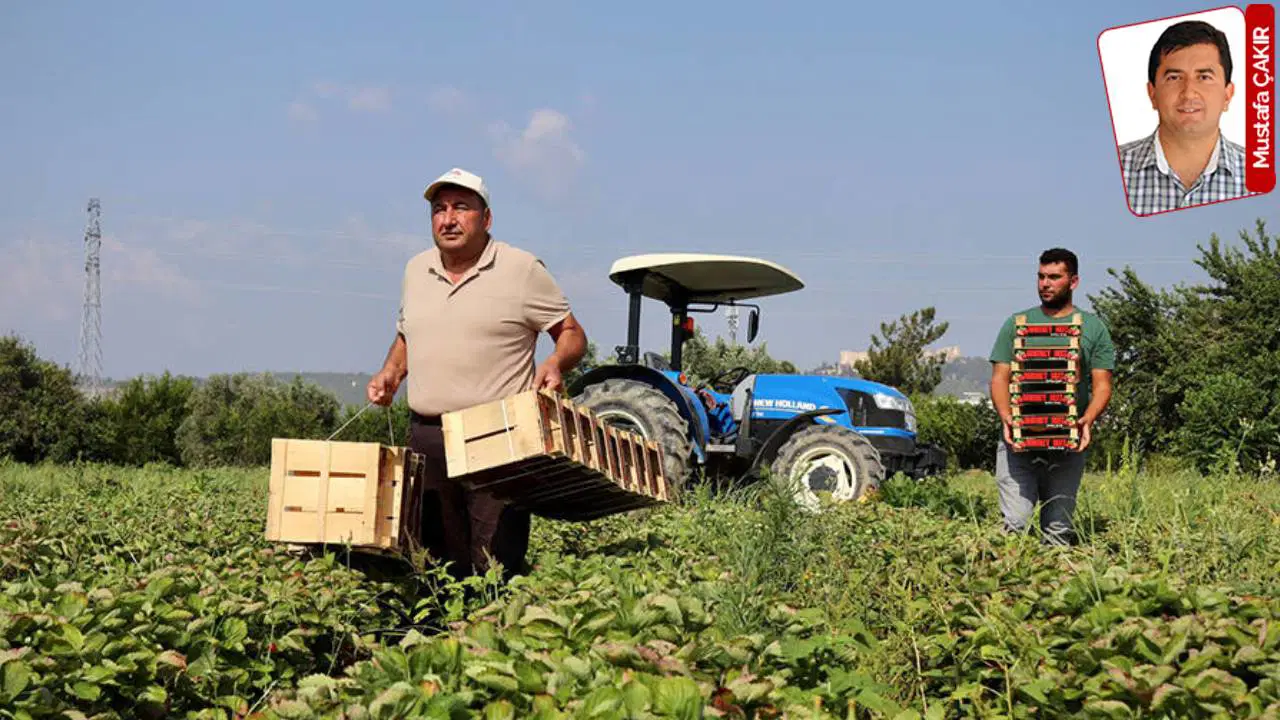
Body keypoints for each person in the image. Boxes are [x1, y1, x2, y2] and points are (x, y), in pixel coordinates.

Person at [366, 167, 587, 581]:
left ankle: (494, 621)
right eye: (439, 209)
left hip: (498, 435)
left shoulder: (521, 269)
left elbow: (572, 333)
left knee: (494, 562)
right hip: (428, 435)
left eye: (461, 208)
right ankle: (441, 623)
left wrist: (555, 362)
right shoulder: (416, 270)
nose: (448, 219)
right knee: (432, 561)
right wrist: (391, 372)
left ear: (486, 218)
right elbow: (408, 335)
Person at [988, 248, 1115, 545]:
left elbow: (1103, 385)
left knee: (1058, 530)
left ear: (1074, 281)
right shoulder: (1016, 324)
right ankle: (1011, 571)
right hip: (1018, 439)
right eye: (1041, 276)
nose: (1045, 284)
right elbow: (999, 379)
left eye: (1054, 277)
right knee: (1015, 525)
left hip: (1067, 442)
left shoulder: (1093, 328)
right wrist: (1006, 417)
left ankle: (1055, 572)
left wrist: (1088, 419)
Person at [1117, 19, 1252, 216]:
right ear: (1152, 93)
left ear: (1227, 94)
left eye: (1204, 77)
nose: (1188, 93)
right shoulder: (1112, 171)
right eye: (1174, 78)